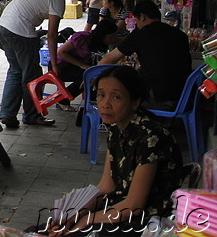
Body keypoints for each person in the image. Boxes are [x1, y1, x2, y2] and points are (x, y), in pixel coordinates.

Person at [45, 66, 183, 237]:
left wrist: (88, 220)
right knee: (43, 230)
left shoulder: (151, 138)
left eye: (116, 97)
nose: (105, 104)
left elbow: (134, 205)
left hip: (145, 221)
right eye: (101, 95)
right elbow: (105, 186)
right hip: (118, 208)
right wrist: (77, 213)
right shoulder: (117, 129)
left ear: (135, 102)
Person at [0, 0, 90, 128]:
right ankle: (32, 115)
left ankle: (7, 114)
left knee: (15, 71)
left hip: (3, 27)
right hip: (21, 32)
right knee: (32, 77)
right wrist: (54, 65)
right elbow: (52, 34)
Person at [99, 0, 191, 109]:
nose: (137, 24)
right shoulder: (180, 35)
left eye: (136, 20)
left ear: (142, 17)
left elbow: (110, 58)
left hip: (159, 98)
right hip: (185, 96)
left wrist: (93, 76)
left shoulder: (141, 34)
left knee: (121, 101)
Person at [53, 19, 120, 107]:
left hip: (78, 66)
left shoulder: (101, 41)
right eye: (111, 36)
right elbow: (61, 52)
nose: (113, 39)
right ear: (102, 35)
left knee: (97, 74)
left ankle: (92, 100)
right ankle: (63, 99)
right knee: (88, 75)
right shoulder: (82, 37)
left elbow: (122, 41)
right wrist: (82, 65)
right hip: (60, 65)